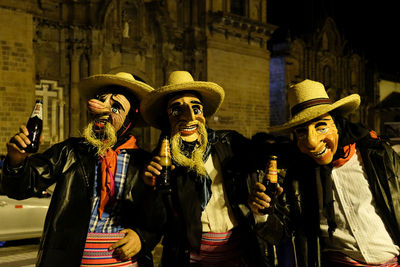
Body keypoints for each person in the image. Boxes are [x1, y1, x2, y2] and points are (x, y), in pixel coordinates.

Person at [1, 72, 161, 267]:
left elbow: (160, 216)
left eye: (116, 106)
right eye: (101, 100)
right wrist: (17, 160)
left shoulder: (146, 163)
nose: (103, 109)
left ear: (131, 119)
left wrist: (142, 237)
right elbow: (19, 188)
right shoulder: (71, 151)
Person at [140, 71, 286, 266]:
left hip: (239, 256)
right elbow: (155, 223)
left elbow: (268, 157)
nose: (189, 117)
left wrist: (264, 198)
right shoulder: (161, 162)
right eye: (177, 110)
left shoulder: (231, 144)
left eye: (196, 108)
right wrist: (151, 189)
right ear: (167, 118)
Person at [251, 79, 400, 266]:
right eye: (302, 133)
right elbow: (283, 233)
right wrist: (262, 213)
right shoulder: (299, 176)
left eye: (321, 127)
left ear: (337, 124)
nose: (312, 142)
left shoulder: (377, 157)